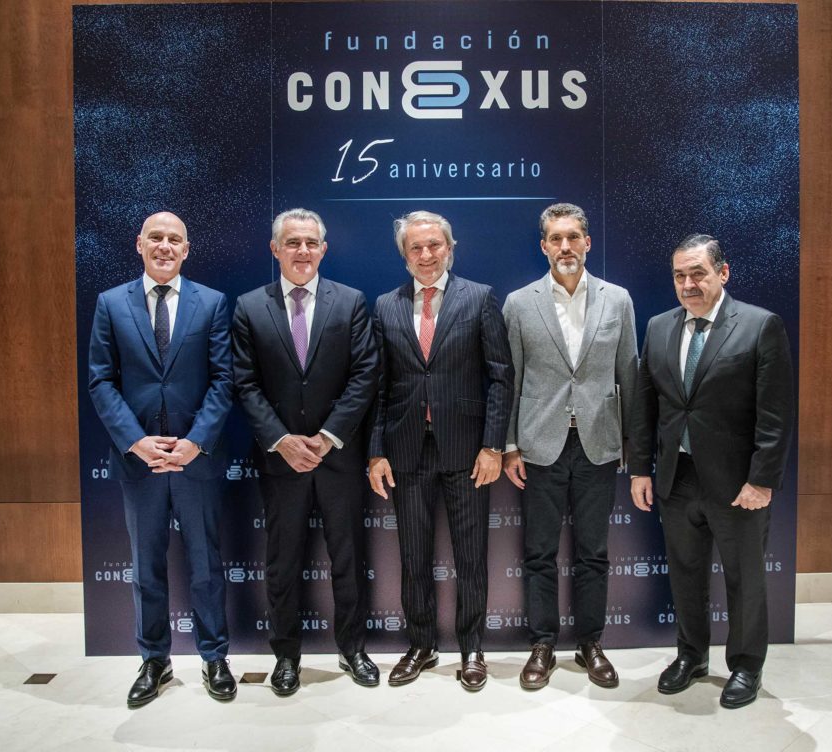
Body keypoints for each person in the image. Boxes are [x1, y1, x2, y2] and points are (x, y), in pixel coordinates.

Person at [627, 234, 794, 709]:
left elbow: (775, 414)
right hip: (676, 477)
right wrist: (640, 468)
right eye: (679, 275)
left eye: (698, 273)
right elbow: (645, 405)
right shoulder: (659, 327)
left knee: (745, 579)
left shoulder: (760, 325)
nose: (688, 284)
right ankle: (691, 655)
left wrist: (762, 480)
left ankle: (746, 666)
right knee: (685, 574)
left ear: (723, 273)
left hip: (738, 484)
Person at [88, 211, 236, 707]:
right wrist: (136, 441)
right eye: (156, 237)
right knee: (146, 568)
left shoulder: (211, 303)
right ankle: (155, 660)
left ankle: (215, 657)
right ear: (140, 244)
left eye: (175, 239)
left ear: (186, 249)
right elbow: (101, 381)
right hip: (140, 462)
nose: (165, 246)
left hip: (197, 460)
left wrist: (196, 441)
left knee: (206, 566)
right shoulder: (111, 303)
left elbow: (224, 380)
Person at [232, 209, 380, 696]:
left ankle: (352, 650)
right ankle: (286, 657)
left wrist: (328, 435)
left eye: (311, 243)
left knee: (348, 557)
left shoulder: (351, 302)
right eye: (292, 242)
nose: (302, 251)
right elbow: (245, 383)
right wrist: (282, 440)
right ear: (275, 249)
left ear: (323, 249)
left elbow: (365, 375)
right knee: (283, 562)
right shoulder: (249, 307)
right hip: (281, 459)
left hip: (337, 457)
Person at [368, 210, 514, 692]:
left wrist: (493, 445)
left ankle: (472, 648)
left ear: (450, 248)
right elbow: (378, 386)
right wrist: (375, 451)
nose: (426, 254)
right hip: (406, 450)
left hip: (468, 452)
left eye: (435, 245)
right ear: (404, 255)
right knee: (413, 556)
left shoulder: (480, 298)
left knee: (471, 556)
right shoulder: (385, 306)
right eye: (416, 247)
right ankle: (421, 645)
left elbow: (500, 377)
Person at [502, 203, 638, 690]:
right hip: (539, 445)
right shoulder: (520, 303)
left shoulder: (617, 300)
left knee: (593, 552)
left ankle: (590, 643)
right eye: (556, 238)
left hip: (598, 443)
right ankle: (542, 644)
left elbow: (629, 374)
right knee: (539, 552)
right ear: (544, 246)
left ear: (587, 242)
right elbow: (511, 379)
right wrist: (510, 445)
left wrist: (633, 447)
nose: (565, 246)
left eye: (573, 237)